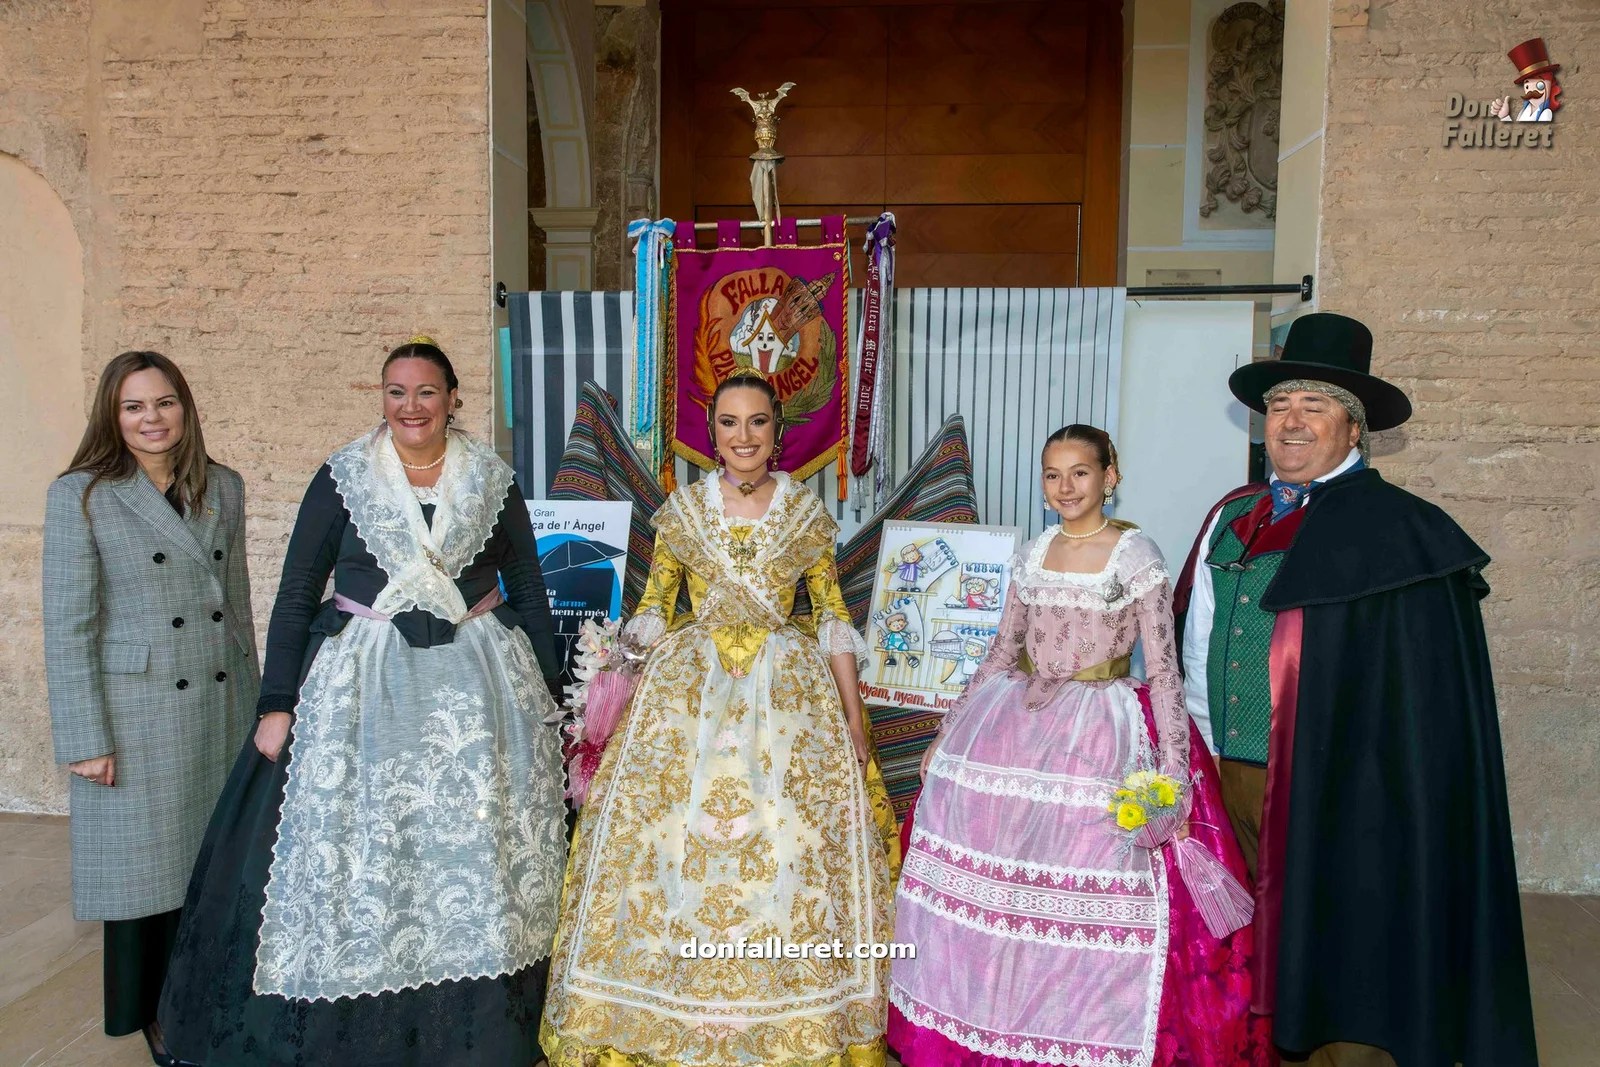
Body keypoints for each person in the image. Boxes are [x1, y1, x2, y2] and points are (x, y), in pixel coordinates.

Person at [158, 337, 569, 1065]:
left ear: (452, 398)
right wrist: (276, 702)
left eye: (426, 391)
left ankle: (478, 1027)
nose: (411, 406)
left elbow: (530, 589)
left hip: (478, 690)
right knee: (370, 846)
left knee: (473, 852)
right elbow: (293, 594)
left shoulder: (492, 478)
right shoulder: (342, 476)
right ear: (382, 399)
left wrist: (553, 694)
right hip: (362, 682)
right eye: (396, 392)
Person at [1174, 312, 1537, 1066]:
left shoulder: (1401, 532)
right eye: (1279, 405)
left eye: (1314, 405)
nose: (1292, 422)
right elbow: (1194, 635)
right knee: (1238, 948)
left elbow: (1423, 706)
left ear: (1354, 427)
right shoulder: (1230, 518)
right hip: (1225, 775)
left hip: (1342, 793)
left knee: (1336, 949)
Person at [540, 369, 900, 1067]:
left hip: (788, 696)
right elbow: (654, 607)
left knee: (792, 849)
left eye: (757, 422)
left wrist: (855, 721)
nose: (744, 436)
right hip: (687, 692)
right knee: (667, 846)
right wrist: (612, 671)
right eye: (730, 422)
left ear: (777, 432)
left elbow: (830, 618)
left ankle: (794, 1014)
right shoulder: (680, 511)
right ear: (712, 435)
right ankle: (661, 1009)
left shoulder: (804, 513)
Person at [889, 424, 1270, 1067]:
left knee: (1092, 879)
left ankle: (1077, 1031)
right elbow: (1001, 652)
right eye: (1053, 475)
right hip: (1016, 724)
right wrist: (950, 732)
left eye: (1080, 473)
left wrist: (1173, 774)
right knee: (1006, 889)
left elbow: (1167, 669)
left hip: (1103, 732)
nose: (1066, 487)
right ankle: (991, 1023)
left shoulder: (1134, 551)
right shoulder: (1037, 549)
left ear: (1109, 476)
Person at [43, 350, 260, 1067]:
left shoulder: (222, 486)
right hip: (135, 711)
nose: (151, 418)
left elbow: (238, 612)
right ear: (113, 414)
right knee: (145, 873)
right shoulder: (82, 494)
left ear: (185, 407)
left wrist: (263, 710)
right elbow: (69, 623)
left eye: (164, 402)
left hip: (219, 701)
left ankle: (209, 998)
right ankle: (153, 1010)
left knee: (213, 866)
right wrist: (84, 736)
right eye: (134, 406)